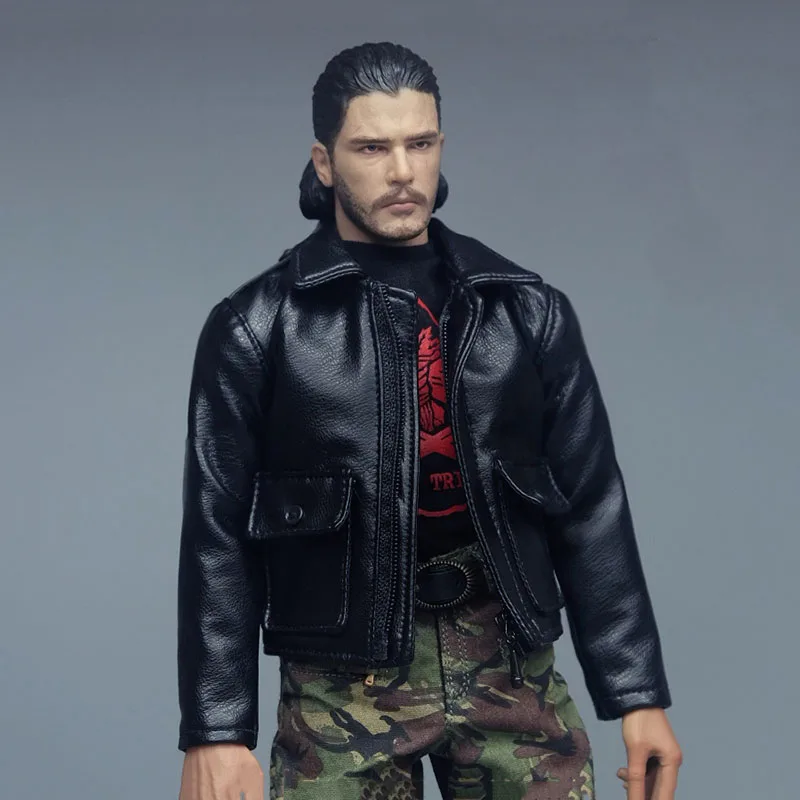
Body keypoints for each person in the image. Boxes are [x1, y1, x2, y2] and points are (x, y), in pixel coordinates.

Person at [177, 41, 682, 800]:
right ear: (324, 163)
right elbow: (217, 536)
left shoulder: (524, 309)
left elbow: (592, 508)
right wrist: (216, 729)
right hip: (342, 680)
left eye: (420, 143)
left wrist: (638, 695)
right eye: (371, 147)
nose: (402, 170)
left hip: (508, 657)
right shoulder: (259, 327)